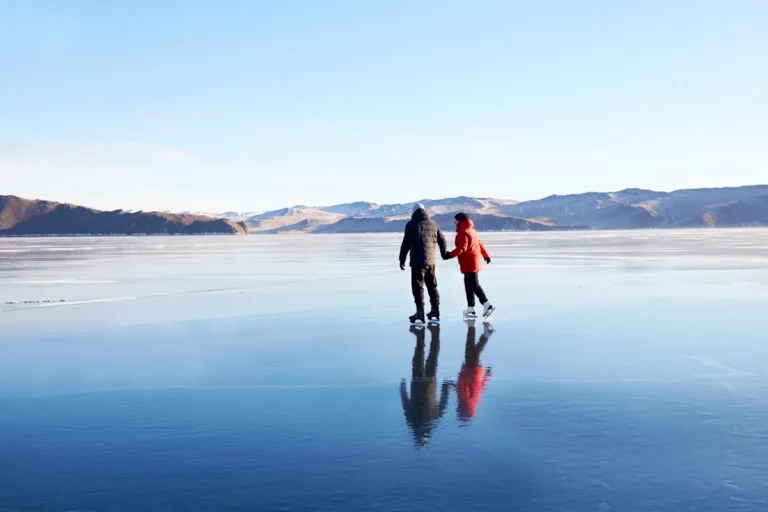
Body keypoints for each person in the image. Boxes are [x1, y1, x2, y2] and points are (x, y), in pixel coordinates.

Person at [400, 324, 451, 448]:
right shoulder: (413, 422)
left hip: (430, 383)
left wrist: (446, 385)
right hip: (417, 382)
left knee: (433, 355)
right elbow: (406, 404)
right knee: (419, 356)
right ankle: (421, 336)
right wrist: (402, 387)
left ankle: (434, 334)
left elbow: (443, 402)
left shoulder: (433, 421)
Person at [399, 203, 448, 324]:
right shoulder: (433, 224)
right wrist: (443, 253)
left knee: (418, 287)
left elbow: (406, 243)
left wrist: (402, 258)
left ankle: (420, 312)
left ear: (414, 212)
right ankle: (435, 310)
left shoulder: (411, 224)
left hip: (417, 261)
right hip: (431, 262)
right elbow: (443, 240)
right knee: (432, 286)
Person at [443, 212, 496, 320]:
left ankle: (487, 304)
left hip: (469, 262)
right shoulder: (472, 231)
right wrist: (486, 256)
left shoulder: (463, 232)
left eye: (456, 220)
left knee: (474, 284)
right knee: (468, 284)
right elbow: (479, 244)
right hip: (474, 261)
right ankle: (471, 308)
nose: (454, 222)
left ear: (461, 221)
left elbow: (462, 248)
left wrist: (449, 255)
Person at [456, 319, 493, 422]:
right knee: (474, 352)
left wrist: (487, 376)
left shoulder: (474, 402)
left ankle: (477, 330)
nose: (457, 409)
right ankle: (486, 334)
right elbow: (464, 388)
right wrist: (457, 385)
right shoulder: (466, 401)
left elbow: (481, 387)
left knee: (472, 351)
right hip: (470, 372)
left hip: (477, 373)